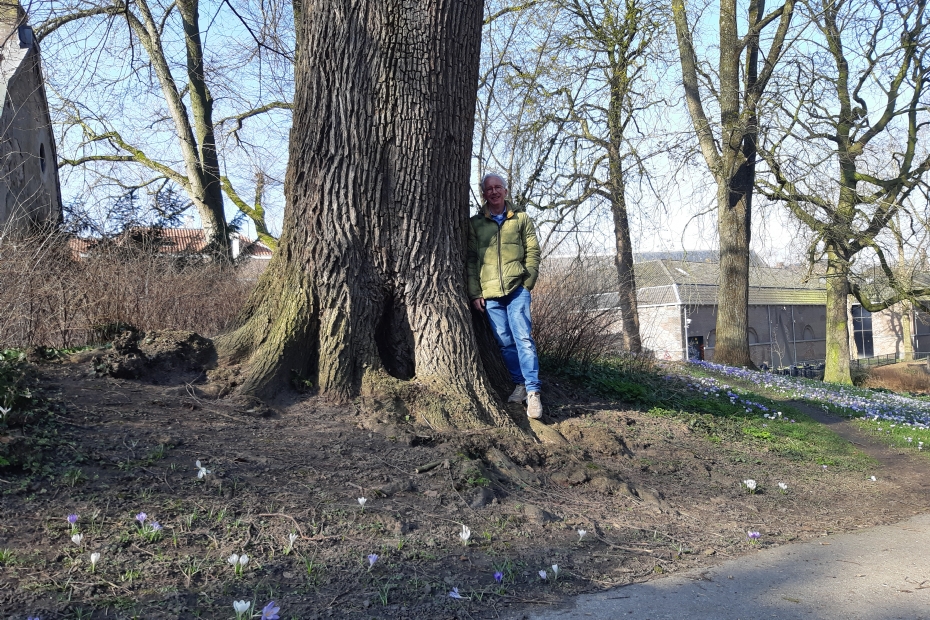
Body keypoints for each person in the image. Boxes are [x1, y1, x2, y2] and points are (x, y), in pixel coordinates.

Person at [467, 173, 543, 419]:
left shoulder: (521, 219)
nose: (494, 192)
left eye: (498, 187)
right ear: (484, 193)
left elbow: (533, 251)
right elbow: (470, 260)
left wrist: (527, 283)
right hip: (489, 295)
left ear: (506, 191)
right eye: (489, 189)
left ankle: (533, 392)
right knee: (505, 342)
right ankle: (519, 383)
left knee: (523, 339)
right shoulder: (476, 223)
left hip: (516, 290)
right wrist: (475, 292)